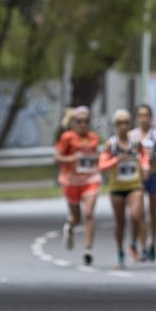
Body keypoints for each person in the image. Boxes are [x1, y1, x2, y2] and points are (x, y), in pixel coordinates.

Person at [98, 109, 149, 269]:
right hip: (117, 187)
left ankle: (135, 244)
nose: (123, 126)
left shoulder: (135, 142)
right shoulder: (111, 144)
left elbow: (144, 154)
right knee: (120, 223)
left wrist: (145, 166)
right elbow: (102, 165)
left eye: (126, 123)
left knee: (136, 215)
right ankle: (120, 252)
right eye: (120, 123)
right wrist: (116, 160)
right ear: (115, 126)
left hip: (134, 185)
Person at [54, 106, 101, 265]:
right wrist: (73, 158)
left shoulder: (94, 138)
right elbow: (57, 157)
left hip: (90, 180)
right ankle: (70, 226)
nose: (83, 125)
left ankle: (88, 249)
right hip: (71, 181)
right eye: (80, 122)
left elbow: (96, 157)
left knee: (89, 214)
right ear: (75, 123)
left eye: (86, 121)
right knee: (77, 217)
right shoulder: (68, 137)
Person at [130, 105, 156, 262]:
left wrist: (155, 155)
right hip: (138, 178)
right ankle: (142, 246)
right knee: (139, 213)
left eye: (146, 115)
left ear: (151, 117)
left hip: (154, 175)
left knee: (153, 212)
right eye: (140, 115)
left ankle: (153, 242)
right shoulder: (132, 135)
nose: (143, 118)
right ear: (137, 117)